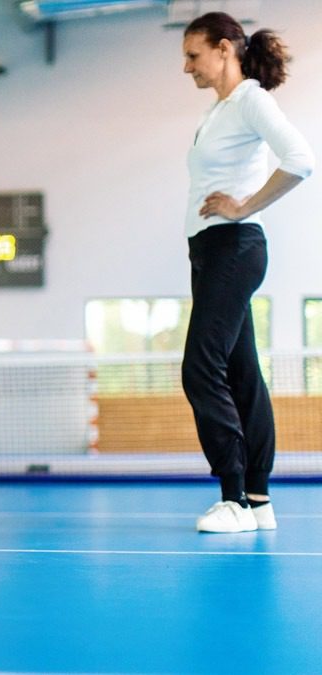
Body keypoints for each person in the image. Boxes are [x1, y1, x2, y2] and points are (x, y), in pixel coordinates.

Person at [179, 13, 314, 533]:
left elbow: (300, 160)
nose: (187, 67)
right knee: (242, 376)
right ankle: (258, 500)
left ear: (224, 49)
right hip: (210, 253)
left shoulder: (251, 99)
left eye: (193, 55)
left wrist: (244, 206)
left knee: (200, 367)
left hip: (234, 247)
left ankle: (232, 497)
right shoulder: (220, 111)